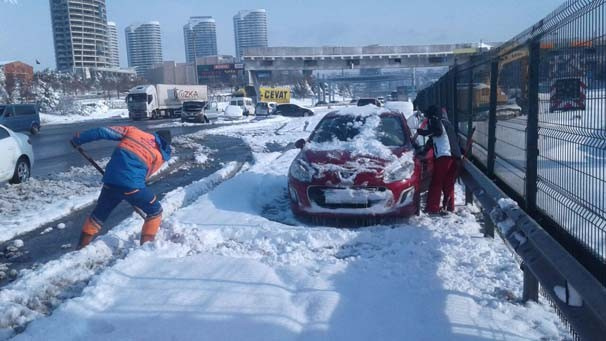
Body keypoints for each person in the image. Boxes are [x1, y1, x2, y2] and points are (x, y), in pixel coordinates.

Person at [71, 126, 172, 249]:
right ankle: (147, 248)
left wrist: (79, 139)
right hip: (132, 186)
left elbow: (102, 131)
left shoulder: (134, 131)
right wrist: (132, 195)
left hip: (111, 180)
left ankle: (81, 247)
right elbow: (145, 176)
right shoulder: (159, 156)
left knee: (99, 214)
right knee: (155, 211)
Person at [416, 105, 462, 214]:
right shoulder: (447, 123)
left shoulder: (435, 120)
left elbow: (437, 132)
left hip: (444, 156)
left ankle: (432, 208)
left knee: (436, 183)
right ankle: (449, 207)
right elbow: (434, 140)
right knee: (448, 183)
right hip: (455, 157)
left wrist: (423, 132)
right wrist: (424, 150)